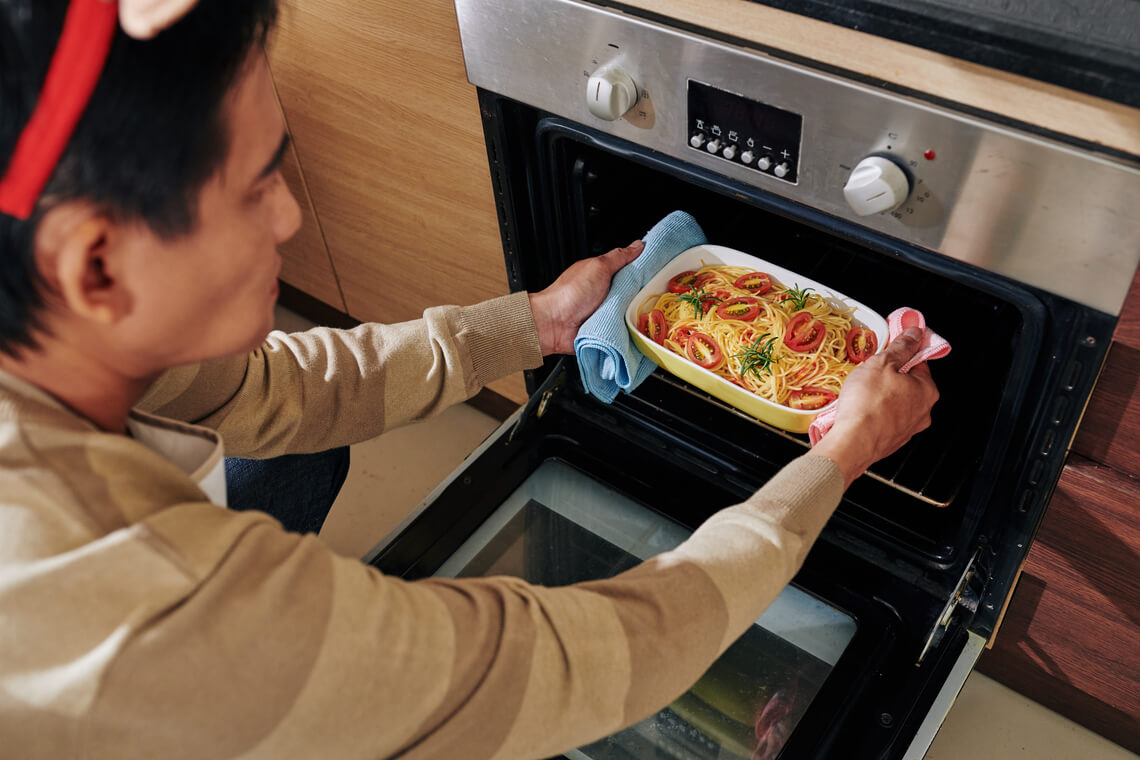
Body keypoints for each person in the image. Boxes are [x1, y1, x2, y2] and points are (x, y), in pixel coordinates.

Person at [0, 2, 939, 758]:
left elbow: (266, 393)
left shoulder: (49, 326)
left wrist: (534, 322)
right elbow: (574, 666)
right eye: (255, 185)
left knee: (303, 453)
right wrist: (842, 451)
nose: (289, 217)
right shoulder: (156, 618)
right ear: (95, 267)